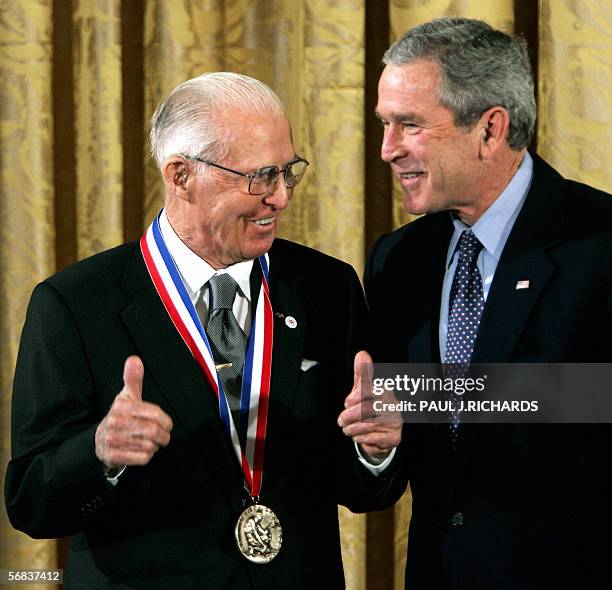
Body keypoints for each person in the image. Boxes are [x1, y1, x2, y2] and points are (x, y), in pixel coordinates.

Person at [5, 72, 399, 589]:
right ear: (181, 176)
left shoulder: (328, 288)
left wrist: (375, 451)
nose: (280, 197)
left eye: (287, 172)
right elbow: (31, 501)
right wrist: (99, 453)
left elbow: (363, 489)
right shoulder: (75, 304)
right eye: (259, 177)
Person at [341, 17, 612, 589]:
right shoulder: (398, 260)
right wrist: (379, 446)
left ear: (490, 129)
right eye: (384, 125)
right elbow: (390, 470)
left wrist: (422, 394)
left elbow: (597, 393)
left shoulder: (599, 242)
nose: (387, 150)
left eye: (409, 125)